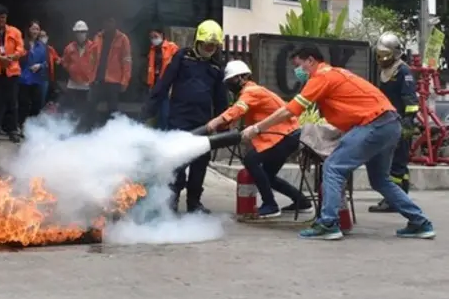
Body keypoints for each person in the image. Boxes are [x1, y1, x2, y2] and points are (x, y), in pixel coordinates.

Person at [249, 44, 435, 240]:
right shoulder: (336, 75)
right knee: (380, 180)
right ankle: (420, 222)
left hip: (374, 124)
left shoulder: (321, 76)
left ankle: (328, 223)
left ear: (311, 61)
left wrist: (257, 128)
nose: (298, 71)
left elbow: (290, 110)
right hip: (389, 124)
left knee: (333, 167)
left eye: (299, 65)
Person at [205, 60, 312, 218]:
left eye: (232, 81)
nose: (230, 85)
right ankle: (301, 201)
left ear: (243, 77)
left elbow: (239, 109)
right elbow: (244, 112)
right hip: (288, 135)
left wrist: (216, 122)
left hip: (285, 135)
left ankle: (270, 205)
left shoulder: (252, 91)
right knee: (267, 174)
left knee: (251, 160)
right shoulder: (252, 92)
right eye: (228, 82)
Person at [144, 19, 228, 214]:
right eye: (207, 45)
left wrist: (223, 123)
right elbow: (164, 84)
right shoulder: (182, 57)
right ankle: (171, 200)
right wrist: (149, 110)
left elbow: (221, 99)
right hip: (179, 119)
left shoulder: (216, 67)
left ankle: (194, 202)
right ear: (198, 41)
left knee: (200, 164)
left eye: (213, 46)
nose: (210, 49)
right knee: (178, 162)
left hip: (204, 122)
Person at [368, 33, 420, 213]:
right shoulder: (383, 71)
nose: (382, 59)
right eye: (380, 54)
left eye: (386, 55)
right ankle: (400, 197)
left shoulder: (403, 71)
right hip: (388, 122)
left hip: (400, 123)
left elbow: (411, 101)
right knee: (395, 162)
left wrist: (407, 122)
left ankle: (393, 200)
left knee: (397, 163)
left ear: (396, 53)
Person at [0, 5, 24, 143]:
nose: (1, 19)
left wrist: (12, 57)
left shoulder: (15, 31)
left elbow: (21, 49)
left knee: (12, 102)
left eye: (4, 17)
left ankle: (12, 129)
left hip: (11, 71)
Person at [87, 17, 132, 128]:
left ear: (115, 23)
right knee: (91, 105)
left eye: (110, 21)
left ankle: (112, 132)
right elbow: (92, 59)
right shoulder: (98, 37)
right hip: (98, 78)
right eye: (106, 21)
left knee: (112, 109)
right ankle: (89, 129)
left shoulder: (122, 38)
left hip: (114, 80)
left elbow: (126, 60)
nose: (108, 24)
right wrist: (90, 77)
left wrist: (125, 80)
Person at [147, 28, 179, 130]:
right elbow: (151, 67)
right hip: (156, 83)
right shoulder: (152, 49)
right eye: (151, 37)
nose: (153, 39)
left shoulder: (172, 47)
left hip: (167, 84)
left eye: (155, 36)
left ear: (161, 35)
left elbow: (176, 67)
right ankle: (158, 132)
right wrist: (150, 84)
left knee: (165, 112)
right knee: (155, 111)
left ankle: (165, 132)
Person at [19, 20, 48, 130]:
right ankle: (21, 125)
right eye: (33, 28)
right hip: (23, 79)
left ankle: (32, 127)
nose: (35, 31)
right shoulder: (21, 43)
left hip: (37, 79)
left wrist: (40, 66)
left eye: (37, 29)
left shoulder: (42, 46)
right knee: (24, 104)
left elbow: (46, 63)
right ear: (28, 30)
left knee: (37, 104)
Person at [61, 20, 92, 119]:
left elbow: (97, 63)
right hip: (73, 83)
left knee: (85, 108)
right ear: (75, 33)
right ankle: (70, 125)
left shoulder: (93, 47)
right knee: (71, 107)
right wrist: (71, 69)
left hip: (87, 84)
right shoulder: (69, 48)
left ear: (86, 33)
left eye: (82, 32)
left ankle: (83, 127)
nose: (80, 34)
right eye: (78, 32)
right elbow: (64, 62)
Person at [39, 29, 61, 106]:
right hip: (35, 78)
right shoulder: (34, 48)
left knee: (43, 99)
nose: (42, 38)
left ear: (47, 37)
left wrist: (59, 60)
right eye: (40, 36)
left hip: (47, 78)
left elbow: (57, 58)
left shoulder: (50, 49)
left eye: (44, 36)